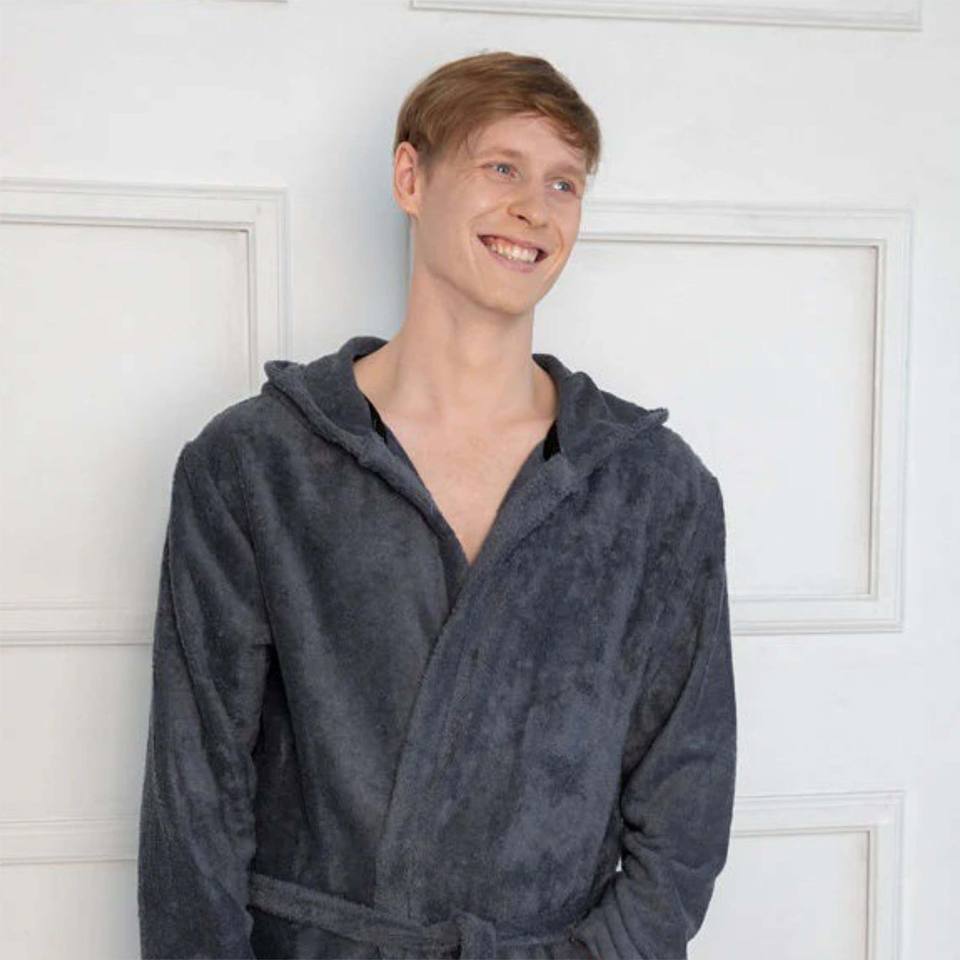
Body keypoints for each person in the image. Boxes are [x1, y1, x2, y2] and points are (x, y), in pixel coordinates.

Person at [137, 50, 737, 960]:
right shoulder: (255, 464)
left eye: (564, 183)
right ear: (410, 178)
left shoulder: (654, 489)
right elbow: (195, 803)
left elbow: (686, 805)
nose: (535, 208)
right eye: (502, 168)